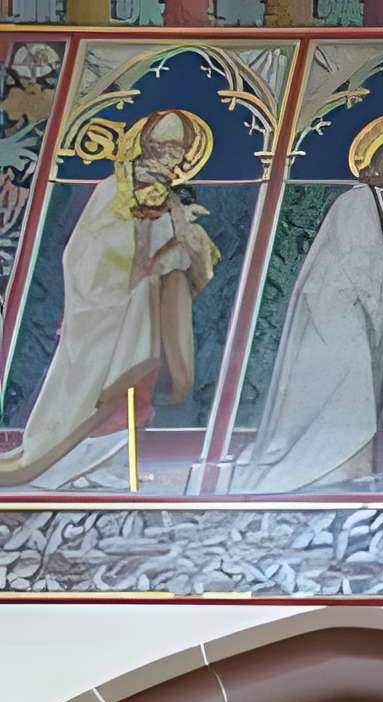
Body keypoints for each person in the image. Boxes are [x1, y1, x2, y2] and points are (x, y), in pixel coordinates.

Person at [0, 110, 223, 491]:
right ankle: (73, 465)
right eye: (164, 148)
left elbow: (184, 263)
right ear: (146, 146)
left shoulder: (170, 202)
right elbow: (84, 252)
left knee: (139, 392)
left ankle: (114, 464)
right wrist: (140, 259)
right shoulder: (112, 190)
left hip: (147, 315)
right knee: (94, 391)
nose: (171, 158)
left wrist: (187, 241)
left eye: (178, 151)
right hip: (107, 311)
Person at [237, 121, 383, 495]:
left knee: (359, 382)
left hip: (360, 309)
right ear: (378, 164)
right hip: (332, 305)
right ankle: (325, 463)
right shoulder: (356, 201)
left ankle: (352, 465)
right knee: (349, 380)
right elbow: (358, 258)